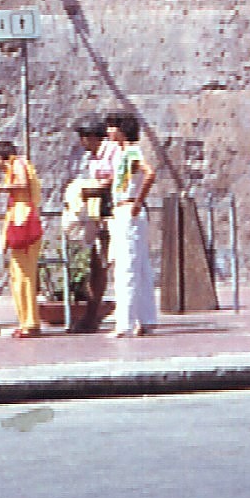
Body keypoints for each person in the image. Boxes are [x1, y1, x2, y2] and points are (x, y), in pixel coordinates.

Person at [0, 140, 43, 337]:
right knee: (17, 276)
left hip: (24, 224)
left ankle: (31, 323)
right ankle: (25, 321)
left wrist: (0, 188)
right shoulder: (14, 167)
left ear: (1, 157)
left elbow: (22, 183)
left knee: (25, 277)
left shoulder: (18, 163)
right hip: (18, 222)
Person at [106, 112, 158, 337]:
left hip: (129, 211)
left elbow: (150, 173)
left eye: (111, 127)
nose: (108, 132)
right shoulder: (122, 155)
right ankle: (146, 319)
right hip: (123, 210)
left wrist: (138, 201)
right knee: (141, 267)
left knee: (126, 266)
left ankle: (124, 323)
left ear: (120, 129)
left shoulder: (132, 152)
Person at [66, 116, 113, 332]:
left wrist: (90, 189)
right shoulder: (93, 159)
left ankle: (96, 313)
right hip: (97, 214)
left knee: (107, 263)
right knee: (96, 264)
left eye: (84, 137)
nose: (81, 142)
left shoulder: (110, 153)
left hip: (111, 212)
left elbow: (116, 179)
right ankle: (92, 313)